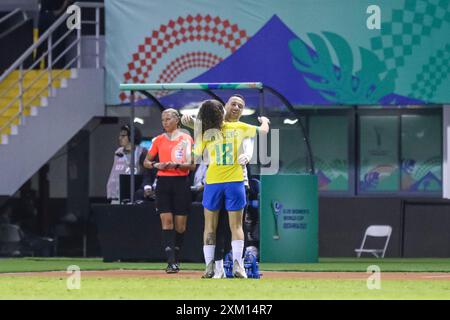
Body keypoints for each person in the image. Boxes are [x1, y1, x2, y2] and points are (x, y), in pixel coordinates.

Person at [193, 99, 270, 278]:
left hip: (213, 182)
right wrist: (264, 121)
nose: (235, 108)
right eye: (232, 104)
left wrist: (196, 127)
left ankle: (209, 265)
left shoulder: (206, 132)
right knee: (236, 226)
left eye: (239, 106)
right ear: (223, 109)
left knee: (209, 227)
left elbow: (195, 155)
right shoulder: (240, 127)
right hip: (235, 181)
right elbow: (264, 131)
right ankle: (238, 265)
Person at [143, 109, 195, 274]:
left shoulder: (186, 138)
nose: (164, 122)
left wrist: (176, 165)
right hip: (163, 182)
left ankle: (176, 258)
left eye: (168, 119)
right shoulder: (158, 140)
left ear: (177, 120)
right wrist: (155, 165)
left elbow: (192, 165)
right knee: (167, 222)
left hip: (181, 182)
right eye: (162, 119)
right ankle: (171, 261)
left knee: (180, 225)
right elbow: (146, 161)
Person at [106, 124, 148, 204]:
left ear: (132, 137)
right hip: (116, 196)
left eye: (123, 136)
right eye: (120, 136)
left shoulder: (142, 152)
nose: (120, 138)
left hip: (133, 197)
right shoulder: (118, 152)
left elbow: (146, 174)